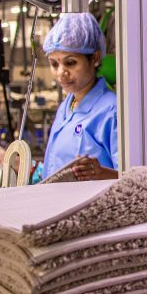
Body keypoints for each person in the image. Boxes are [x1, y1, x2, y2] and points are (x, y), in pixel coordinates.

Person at [41, 12, 118, 181]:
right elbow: (54, 166)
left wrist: (101, 173)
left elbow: (133, 180)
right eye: (54, 64)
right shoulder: (66, 106)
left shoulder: (112, 110)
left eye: (70, 62)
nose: (61, 73)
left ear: (95, 58)